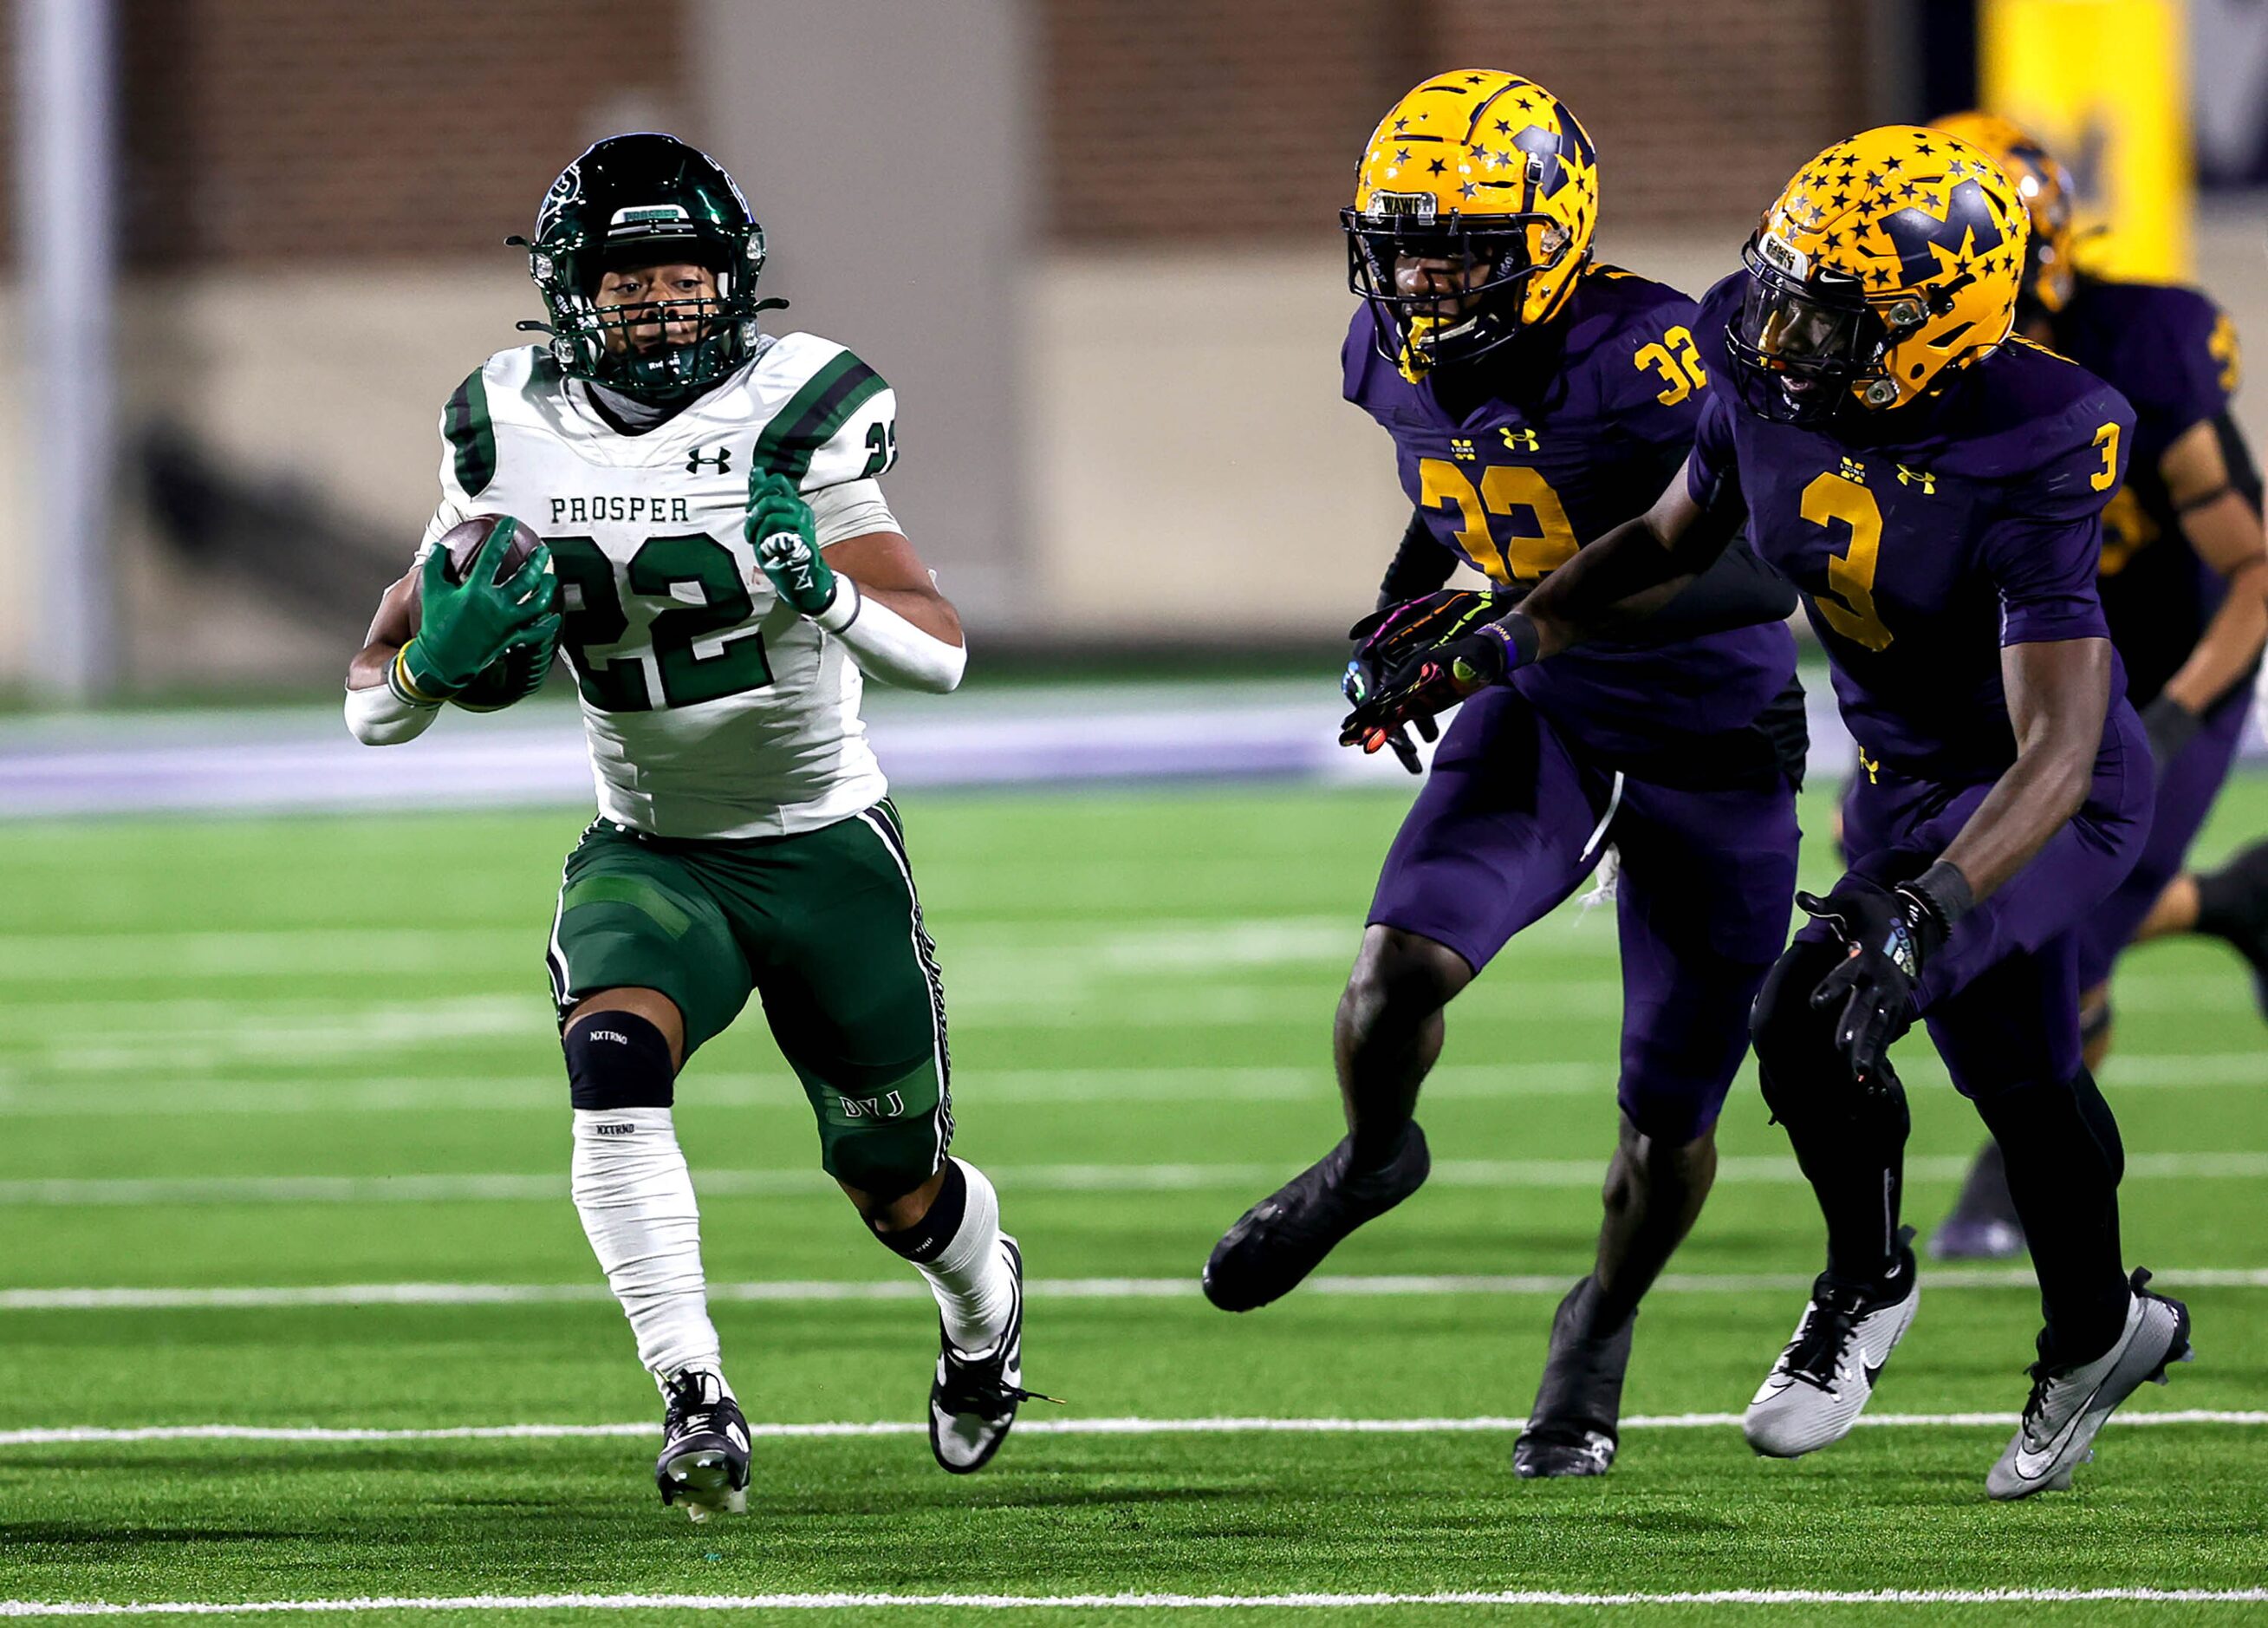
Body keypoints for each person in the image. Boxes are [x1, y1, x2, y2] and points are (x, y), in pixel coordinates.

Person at [1344, 124, 2191, 1499]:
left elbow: (2056, 743)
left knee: (1811, 1012)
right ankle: (2102, 1333)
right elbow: (1668, 539)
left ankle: (1863, 1282)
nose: (1778, 327)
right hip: (1903, 779)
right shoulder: (1756, 355)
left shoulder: (2039, 431)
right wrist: (1506, 635)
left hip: (2045, 797)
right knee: (2021, 1085)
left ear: (1931, 324)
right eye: (1779, 285)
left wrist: (1923, 908)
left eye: (1826, 309)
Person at [343, 133, 1040, 1519]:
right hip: (650, 848)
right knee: (609, 1063)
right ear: (565, 291)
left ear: (737, 282)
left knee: (894, 1185)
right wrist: (434, 660)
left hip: (825, 845)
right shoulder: (500, 422)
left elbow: (944, 651)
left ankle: (981, 1313)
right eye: (628, 274)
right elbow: (372, 701)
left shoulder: (805, 408)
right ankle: (693, 1395)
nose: (661, 300)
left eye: (686, 270)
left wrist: (823, 588)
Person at [1201, 69, 1806, 1480]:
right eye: (1403, 243)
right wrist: (1406, 602)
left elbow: (1759, 570)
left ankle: (1598, 1323)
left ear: (1551, 231)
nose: (1421, 277)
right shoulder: (1381, 349)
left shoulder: (1655, 355)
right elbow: (1461, 489)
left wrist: (1504, 629)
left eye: (1459, 245)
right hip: (1541, 706)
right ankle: (1372, 1157)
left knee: (1667, 1119)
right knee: (1393, 968)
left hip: (1711, 738)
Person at [1920, 114, 2268, 1260]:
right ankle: (2237, 903)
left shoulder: (2142, 341)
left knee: (2068, 913)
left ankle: (2019, 1171)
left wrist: (2168, 717)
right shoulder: (1899, 373)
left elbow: (2255, 570)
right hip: (2035, 648)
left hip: (2173, 650)